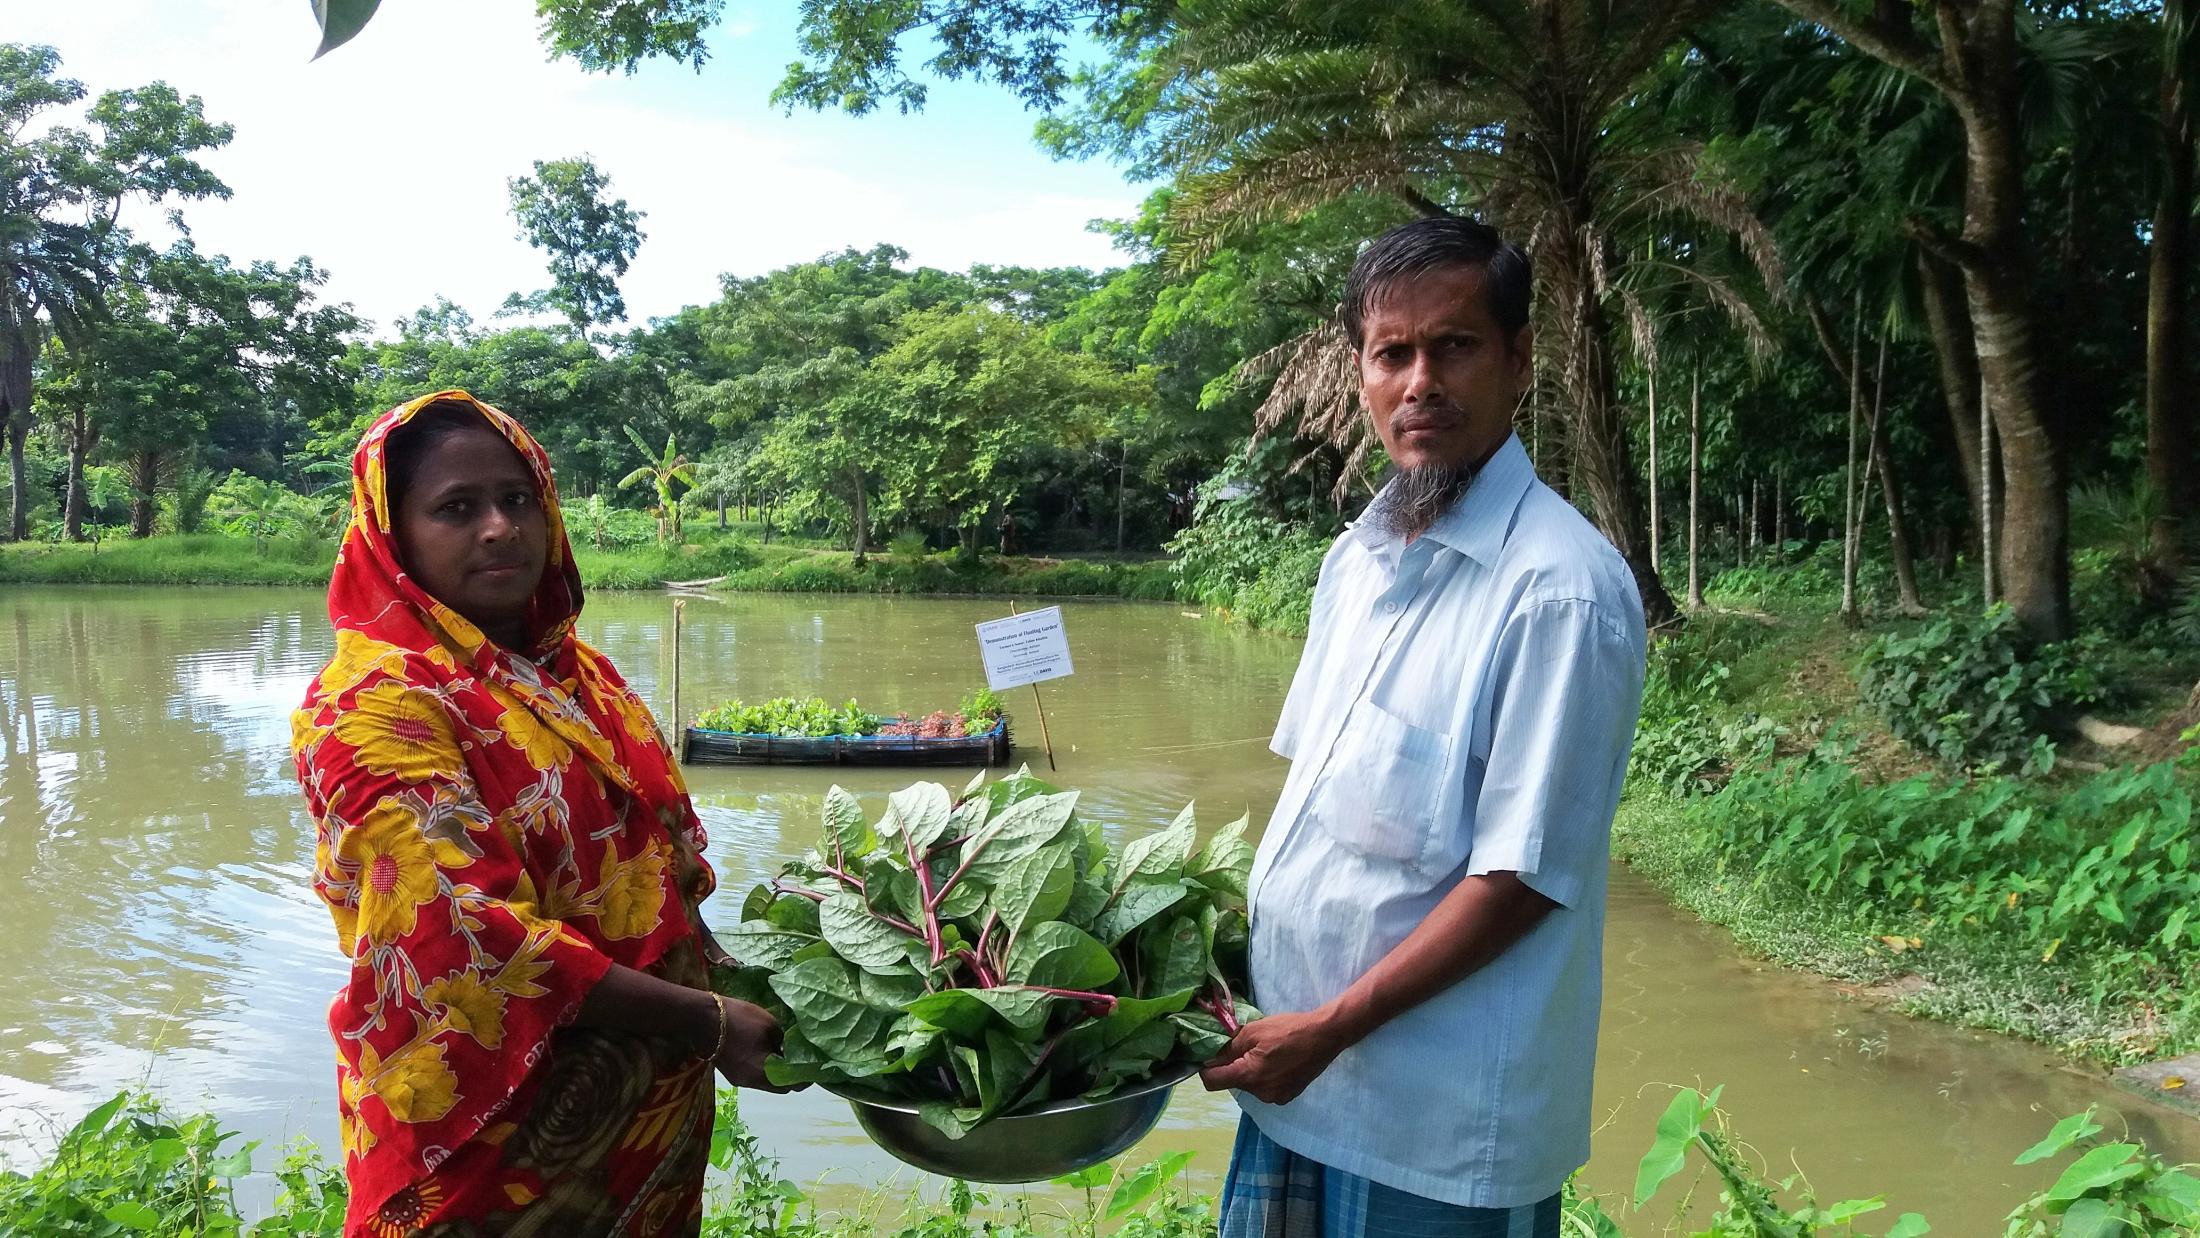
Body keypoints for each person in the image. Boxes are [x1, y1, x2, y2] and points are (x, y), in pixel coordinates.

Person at [1199, 218, 1648, 1236]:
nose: (1419, 381)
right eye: (1390, 352)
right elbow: (1317, 807)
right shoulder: (1353, 562)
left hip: (1434, 1129)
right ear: (1357, 372)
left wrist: (1329, 1025)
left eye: (1454, 346)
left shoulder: (1559, 591)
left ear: (1518, 358)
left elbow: (1521, 879)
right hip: (1295, 1082)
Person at [290, 390, 781, 1238]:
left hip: (643, 1122)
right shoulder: (374, 707)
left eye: (518, 500)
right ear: (393, 532)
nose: (499, 528)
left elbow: (658, 868)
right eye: (457, 507)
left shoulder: (578, 675)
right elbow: (467, 937)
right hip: (490, 1137)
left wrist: (746, 983)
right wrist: (705, 1021)